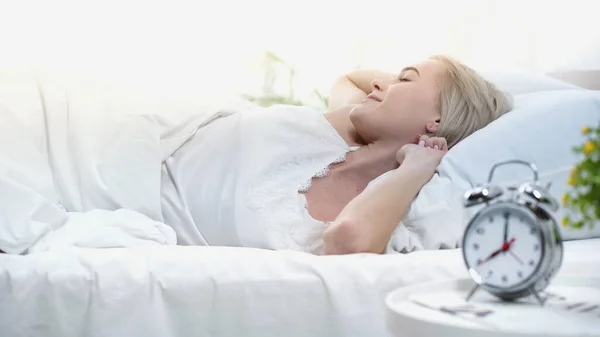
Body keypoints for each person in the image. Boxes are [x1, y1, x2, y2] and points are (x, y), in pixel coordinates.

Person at [159, 55, 512, 255]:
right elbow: (353, 79)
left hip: (135, 201)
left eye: (404, 79)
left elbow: (347, 242)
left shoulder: (395, 203)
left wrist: (415, 167)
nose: (380, 84)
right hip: (148, 145)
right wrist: (401, 95)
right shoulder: (347, 125)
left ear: (437, 119)